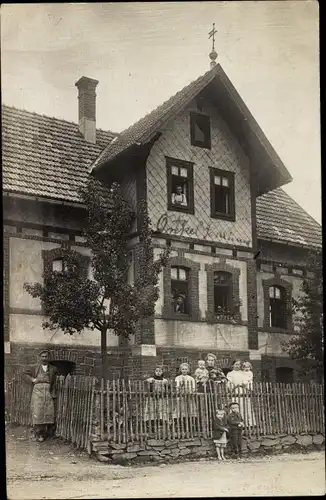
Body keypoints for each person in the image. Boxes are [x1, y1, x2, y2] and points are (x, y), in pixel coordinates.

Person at [23, 349, 58, 442]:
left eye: (46, 356)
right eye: (42, 357)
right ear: (39, 358)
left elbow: (55, 380)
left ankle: (46, 433)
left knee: (48, 412)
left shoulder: (53, 369)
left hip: (47, 391)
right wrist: (33, 380)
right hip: (37, 392)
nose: (44, 358)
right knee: (38, 412)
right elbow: (25, 374)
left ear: (49, 357)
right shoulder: (34, 367)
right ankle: (38, 433)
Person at [144, 367, 168, 434]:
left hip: (161, 397)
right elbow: (145, 383)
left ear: (162, 372)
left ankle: (161, 424)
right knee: (151, 409)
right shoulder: (151, 379)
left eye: (160, 371)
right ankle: (150, 424)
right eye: (156, 371)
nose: (158, 372)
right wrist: (149, 382)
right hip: (152, 397)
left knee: (161, 409)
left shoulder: (164, 380)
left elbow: (167, 388)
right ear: (154, 372)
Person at [174, 363, 197, 435]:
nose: (184, 370)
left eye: (186, 369)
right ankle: (180, 426)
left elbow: (193, 388)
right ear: (180, 370)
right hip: (181, 397)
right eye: (183, 369)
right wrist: (181, 389)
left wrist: (190, 392)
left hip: (189, 397)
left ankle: (190, 426)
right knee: (181, 410)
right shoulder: (177, 378)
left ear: (188, 370)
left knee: (189, 410)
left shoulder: (191, 378)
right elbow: (177, 387)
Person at [241, 361, 256, 427]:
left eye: (248, 367)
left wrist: (245, 383)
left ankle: (251, 422)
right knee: (243, 406)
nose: (247, 368)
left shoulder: (250, 373)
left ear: (250, 367)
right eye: (245, 367)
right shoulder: (242, 373)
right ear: (243, 368)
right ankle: (244, 422)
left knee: (249, 406)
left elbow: (248, 379)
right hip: (242, 390)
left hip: (248, 388)